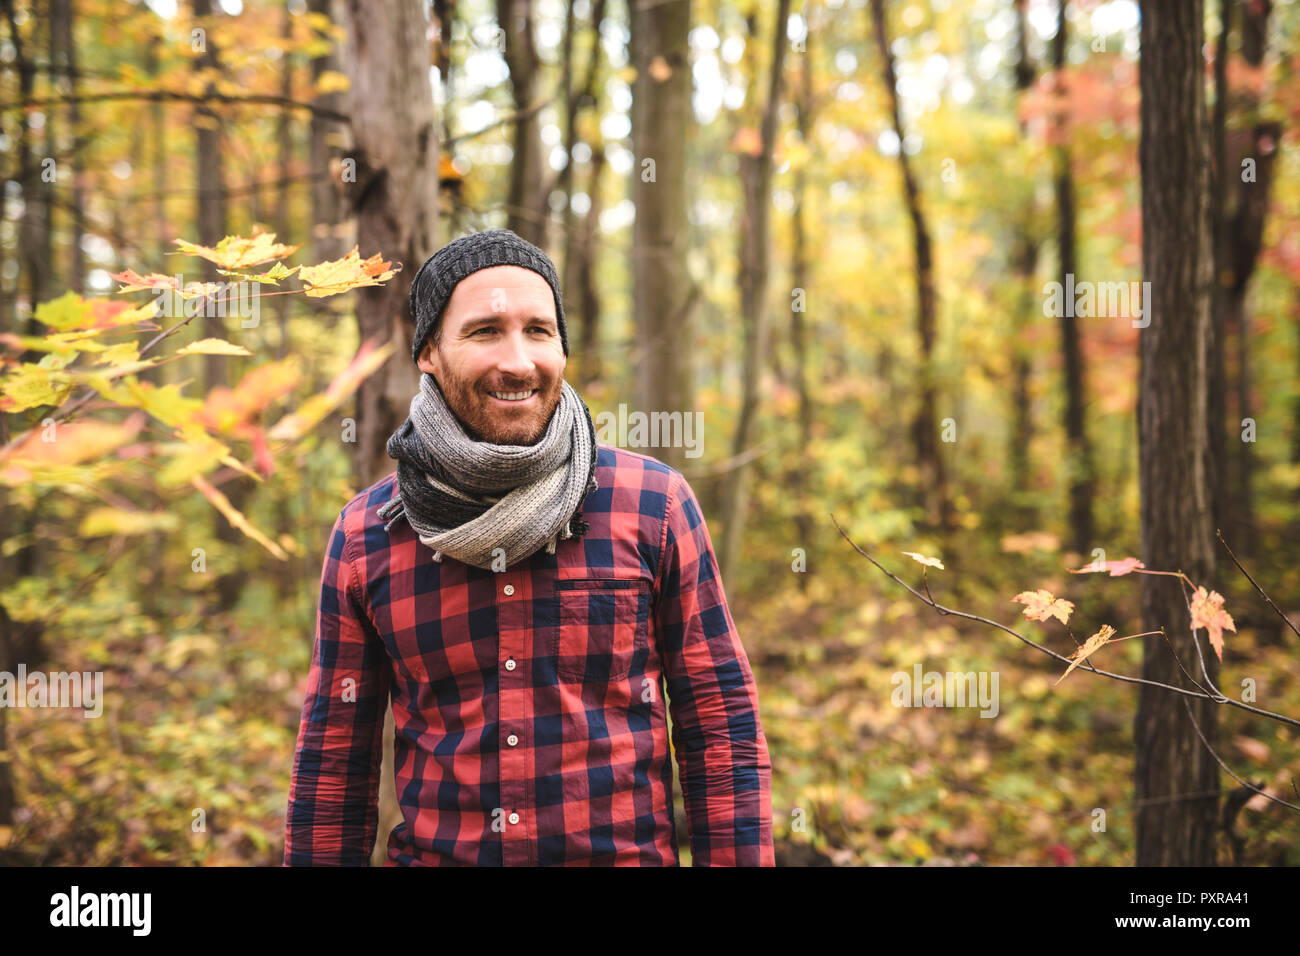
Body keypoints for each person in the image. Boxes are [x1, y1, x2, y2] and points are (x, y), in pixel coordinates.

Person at [283, 228, 773, 866]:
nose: (518, 361)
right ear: (428, 351)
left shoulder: (652, 505)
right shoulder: (370, 535)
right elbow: (333, 762)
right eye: (486, 331)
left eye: (539, 331)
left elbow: (721, 724)